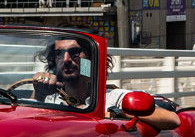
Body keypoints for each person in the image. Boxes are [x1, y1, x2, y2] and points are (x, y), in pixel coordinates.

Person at [30, 37, 181, 130]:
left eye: (75, 52)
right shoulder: (48, 100)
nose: (67, 59)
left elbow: (172, 120)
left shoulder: (113, 99)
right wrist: (39, 94)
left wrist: (118, 113)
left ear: (90, 60)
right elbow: (30, 127)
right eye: (59, 54)